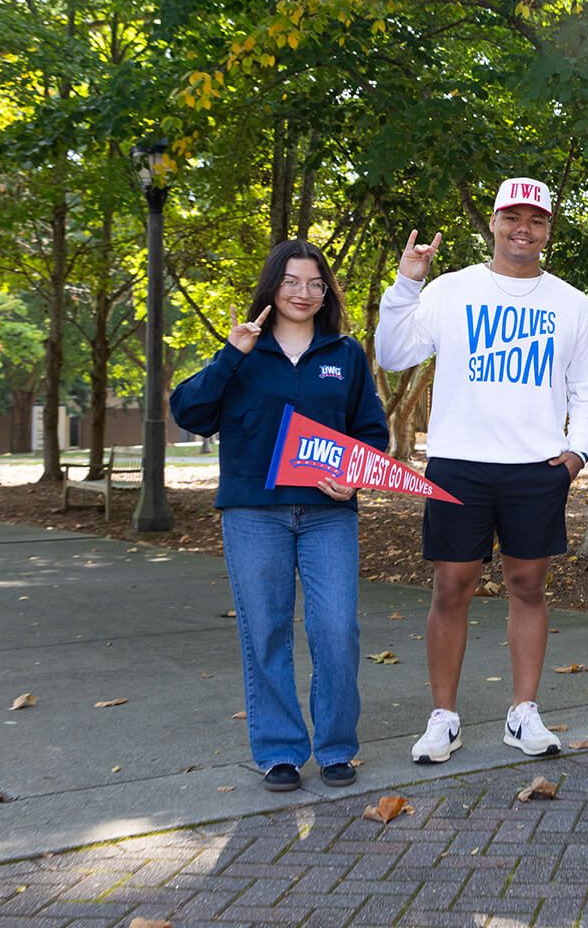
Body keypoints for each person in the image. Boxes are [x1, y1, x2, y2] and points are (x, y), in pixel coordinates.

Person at [374, 177, 588, 763]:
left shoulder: (571, 303)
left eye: (536, 220)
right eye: (512, 218)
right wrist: (407, 282)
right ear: (495, 223)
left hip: (535, 467)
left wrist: (577, 451)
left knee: (528, 586)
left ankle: (522, 714)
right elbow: (393, 354)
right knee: (452, 587)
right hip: (459, 465)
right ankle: (443, 718)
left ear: (548, 231)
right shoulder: (452, 290)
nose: (522, 229)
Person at [171, 240, 390, 792]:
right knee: (265, 631)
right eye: (292, 282)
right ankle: (279, 752)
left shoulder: (345, 353)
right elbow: (190, 413)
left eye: (316, 284)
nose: (304, 293)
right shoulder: (243, 351)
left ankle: (337, 747)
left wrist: (354, 476)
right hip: (253, 515)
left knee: (336, 629)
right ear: (272, 286)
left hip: (328, 514)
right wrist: (229, 353)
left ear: (326, 293)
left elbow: (371, 432)